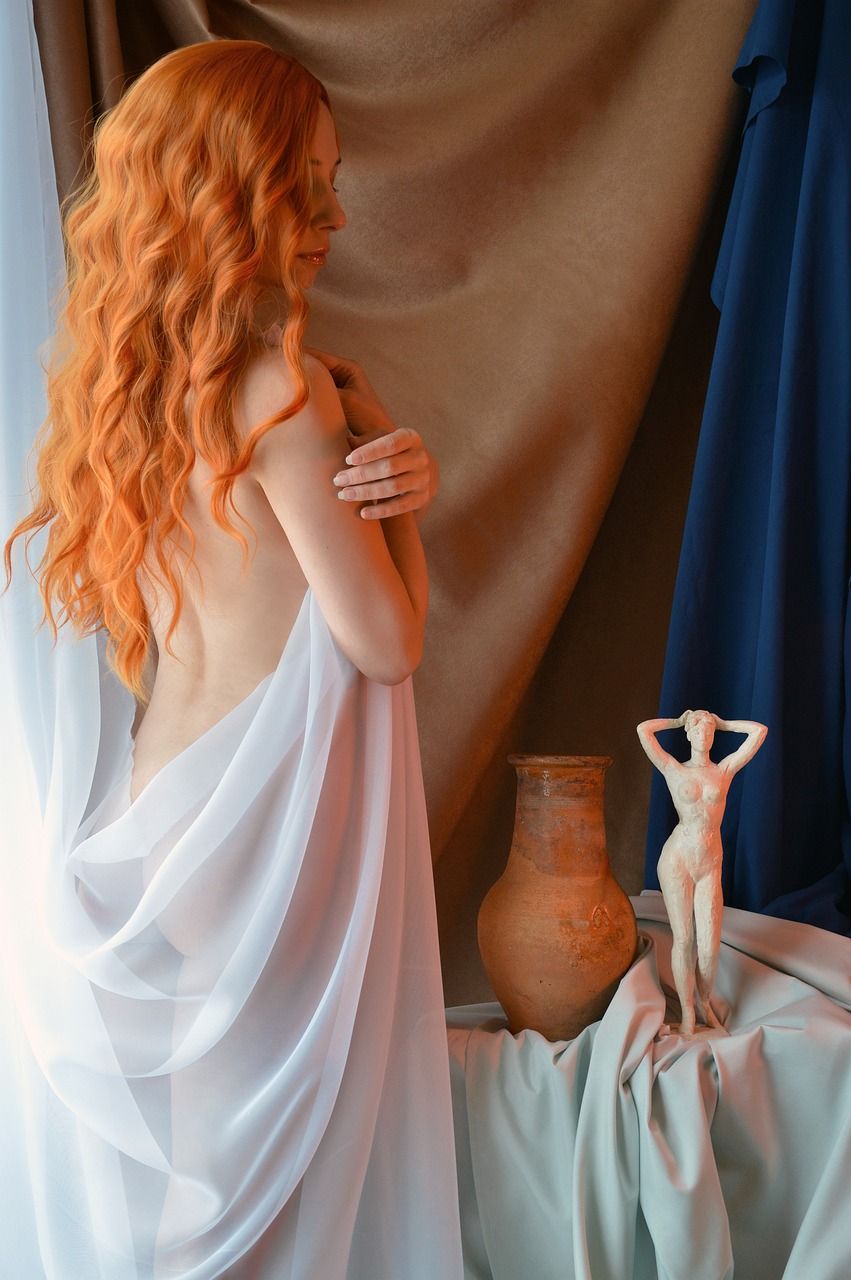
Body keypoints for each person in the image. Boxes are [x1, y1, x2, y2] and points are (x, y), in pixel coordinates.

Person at [0, 38, 464, 1278]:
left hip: (165, 806)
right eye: (304, 188)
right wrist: (400, 498)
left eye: (330, 183)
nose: (333, 217)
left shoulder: (133, 386)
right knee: (258, 1201)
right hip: (263, 821)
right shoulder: (286, 392)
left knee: (205, 1178)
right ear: (228, 193)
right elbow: (384, 643)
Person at [636, 710, 767, 1036]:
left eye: (709, 730)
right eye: (698, 730)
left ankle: (704, 1001)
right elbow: (644, 730)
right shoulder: (674, 769)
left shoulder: (723, 770)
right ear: (689, 735)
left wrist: (723, 724)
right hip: (678, 859)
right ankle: (688, 1014)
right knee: (684, 939)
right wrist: (679, 722)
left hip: (709, 863)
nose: (704, 735)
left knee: (708, 948)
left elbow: (758, 732)